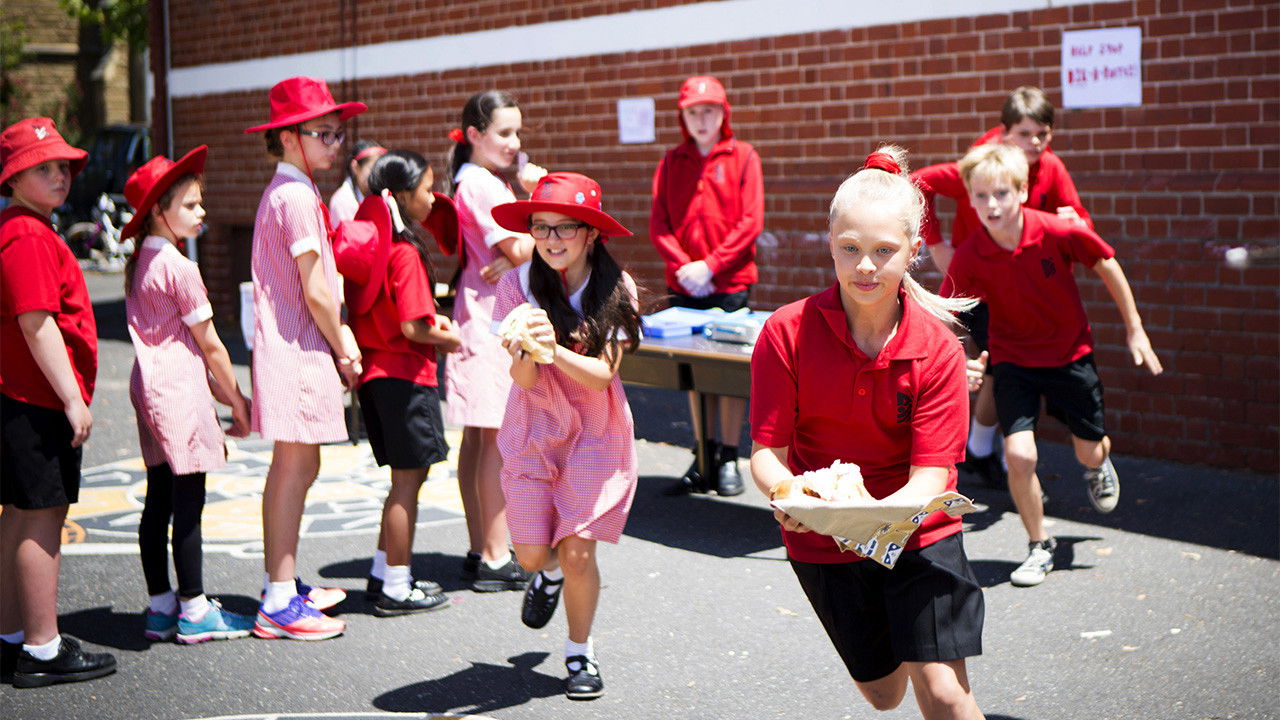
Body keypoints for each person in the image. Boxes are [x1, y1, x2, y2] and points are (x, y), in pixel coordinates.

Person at [750, 147, 986, 719]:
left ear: (913, 250)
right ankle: (906, 644)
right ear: (830, 241)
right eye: (850, 249)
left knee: (946, 692)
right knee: (884, 696)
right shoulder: (786, 332)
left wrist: (865, 517)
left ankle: (922, 642)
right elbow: (766, 456)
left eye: (884, 251)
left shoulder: (937, 348)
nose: (865, 267)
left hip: (920, 533)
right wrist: (792, 495)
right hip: (822, 543)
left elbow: (931, 478)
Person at [940, 142, 1163, 588]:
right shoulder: (969, 253)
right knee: (1019, 454)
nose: (991, 205)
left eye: (1001, 193)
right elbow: (948, 309)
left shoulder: (1056, 231)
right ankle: (1039, 545)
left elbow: (1108, 264)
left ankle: (1097, 464)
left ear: (1021, 192)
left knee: (1089, 449)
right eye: (980, 196)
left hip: (1068, 357)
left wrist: (1135, 328)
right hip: (1014, 360)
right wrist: (961, 357)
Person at [488, 172, 642, 700]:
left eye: (565, 229)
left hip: (597, 432)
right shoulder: (516, 286)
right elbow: (524, 378)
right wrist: (524, 350)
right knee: (531, 555)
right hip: (534, 425)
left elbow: (604, 374)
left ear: (591, 234)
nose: (551, 240)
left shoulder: (616, 287)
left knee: (579, 551)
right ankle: (546, 575)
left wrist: (552, 348)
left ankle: (580, 653)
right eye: (541, 228)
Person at [913, 86, 1092, 488]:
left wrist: (1077, 224)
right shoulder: (983, 164)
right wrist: (938, 244)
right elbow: (919, 181)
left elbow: (1079, 222)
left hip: (1023, 289)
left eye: (1041, 134)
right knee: (1002, 364)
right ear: (1004, 133)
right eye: (1023, 134)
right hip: (977, 286)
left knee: (1001, 368)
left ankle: (982, 451)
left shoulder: (1050, 168)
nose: (1033, 144)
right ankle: (1008, 465)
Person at [243, 76, 365, 639]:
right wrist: (344, 342)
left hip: (296, 345)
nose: (334, 143)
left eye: (338, 133)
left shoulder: (292, 190)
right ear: (289, 137)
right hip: (297, 346)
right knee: (294, 467)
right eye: (323, 132)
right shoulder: (293, 195)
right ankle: (277, 598)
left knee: (301, 464)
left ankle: (285, 585)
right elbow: (315, 289)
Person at [120, 146, 257, 644]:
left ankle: (161, 606)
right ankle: (195, 610)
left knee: (158, 499)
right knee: (188, 503)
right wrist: (237, 401)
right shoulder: (179, 267)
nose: (203, 213)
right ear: (160, 210)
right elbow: (213, 345)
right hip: (179, 389)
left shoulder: (140, 263)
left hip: (149, 386)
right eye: (193, 205)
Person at [0, 117, 117, 687]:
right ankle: (42, 648)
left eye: (63, 166)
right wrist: (73, 399)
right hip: (36, 399)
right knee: (42, 518)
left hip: (23, 397)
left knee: (22, 515)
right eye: (41, 167)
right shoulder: (26, 234)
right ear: (13, 177)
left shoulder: (26, 228)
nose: (59, 175)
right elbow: (36, 321)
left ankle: (10, 637)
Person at [335, 150, 461, 616]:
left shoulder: (378, 247)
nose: (433, 198)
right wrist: (450, 337)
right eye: (428, 189)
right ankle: (397, 586)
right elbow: (413, 327)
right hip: (406, 377)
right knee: (409, 484)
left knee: (400, 483)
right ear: (404, 196)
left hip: (376, 377)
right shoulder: (405, 253)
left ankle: (382, 571)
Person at [443, 90, 545, 591]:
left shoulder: (476, 181)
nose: (515, 142)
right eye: (505, 133)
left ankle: (479, 545)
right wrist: (538, 196)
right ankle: (495, 554)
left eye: (517, 133)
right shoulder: (483, 184)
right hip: (490, 321)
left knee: (479, 441)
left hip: (480, 314)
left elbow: (521, 249)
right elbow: (534, 244)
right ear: (475, 136)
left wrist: (520, 250)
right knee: (495, 442)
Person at [650, 75, 763, 496]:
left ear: (723, 114)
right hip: (685, 285)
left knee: (729, 373)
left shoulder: (744, 156)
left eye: (710, 111)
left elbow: (750, 222)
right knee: (695, 371)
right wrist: (684, 267)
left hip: (728, 283)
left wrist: (711, 266)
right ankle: (702, 455)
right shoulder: (670, 161)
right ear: (683, 117)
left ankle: (729, 455)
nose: (702, 119)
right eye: (694, 112)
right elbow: (659, 223)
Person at [328, 139, 387, 224]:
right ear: (355, 167)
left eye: (381, 170)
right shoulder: (343, 201)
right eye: (373, 169)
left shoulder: (380, 195)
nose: (378, 175)